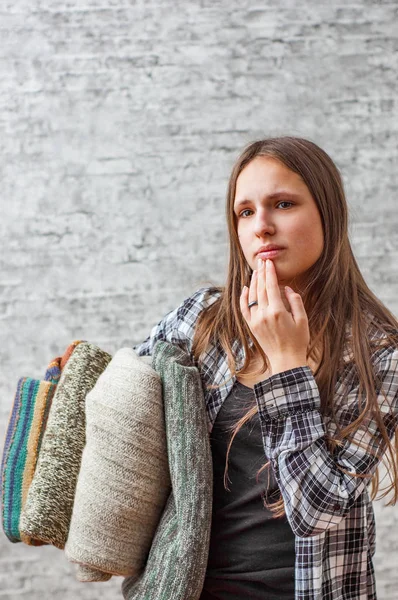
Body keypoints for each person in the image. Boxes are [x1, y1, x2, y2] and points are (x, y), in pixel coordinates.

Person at [132, 136, 398, 600]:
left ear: (328, 215)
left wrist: (286, 365)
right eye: (246, 212)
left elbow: (317, 513)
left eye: (283, 203)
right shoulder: (202, 320)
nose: (262, 227)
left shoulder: (379, 353)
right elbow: (124, 409)